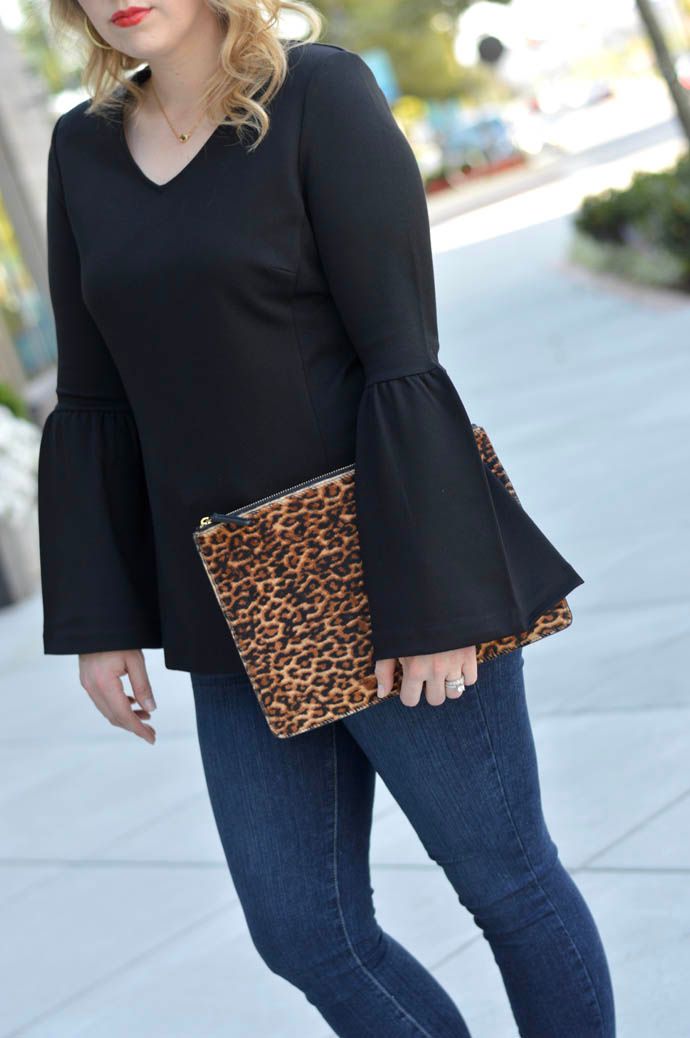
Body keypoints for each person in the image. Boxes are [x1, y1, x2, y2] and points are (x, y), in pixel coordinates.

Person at [38, 0, 616, 1034]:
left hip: (384, 565)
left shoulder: (321, 95)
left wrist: (434, 602)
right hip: (228, 599)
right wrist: (99, 618)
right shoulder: (81, 148)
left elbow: (402, 356)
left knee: (508, 885)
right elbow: (92, 397)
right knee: (304, 932)